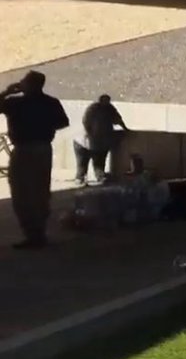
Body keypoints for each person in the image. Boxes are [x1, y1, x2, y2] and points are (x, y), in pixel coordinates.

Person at [0, 71, 69, 249]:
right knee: (40, 189)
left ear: (29, 84)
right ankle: (39, 232)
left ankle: (32, 234)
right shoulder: (51, 102)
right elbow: (63, 122)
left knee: (21, 191)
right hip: (43, 148)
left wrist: (7, 92)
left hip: (23, 149)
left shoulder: (15, 103)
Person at [73, 94, 128, 185]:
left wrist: (125, 128)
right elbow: (86, 122)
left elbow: (118, 119)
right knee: (84, 163)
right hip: (85, 141)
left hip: (97, 141)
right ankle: (81, 178)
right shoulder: (94, 109)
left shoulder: (109, 109)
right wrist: (90, 134)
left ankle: (96, 177)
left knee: (98, 162)